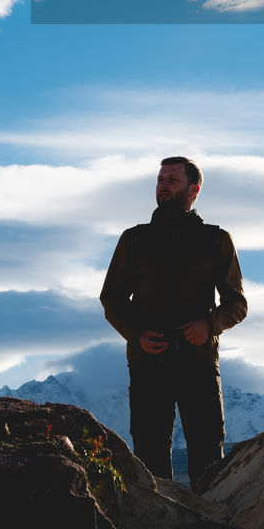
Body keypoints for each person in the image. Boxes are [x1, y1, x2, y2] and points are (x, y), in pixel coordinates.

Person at [100, 155, 247, 491]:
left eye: (172, 180)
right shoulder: (134, 240)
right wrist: (137, 337)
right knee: (149, 461)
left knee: (209, 458)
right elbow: (112, 299)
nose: (163, 186)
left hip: (199, 362)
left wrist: (209, 326)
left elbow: (237, 304)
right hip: (148, 362)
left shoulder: (216, 240)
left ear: (193, 190)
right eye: (160, 180)